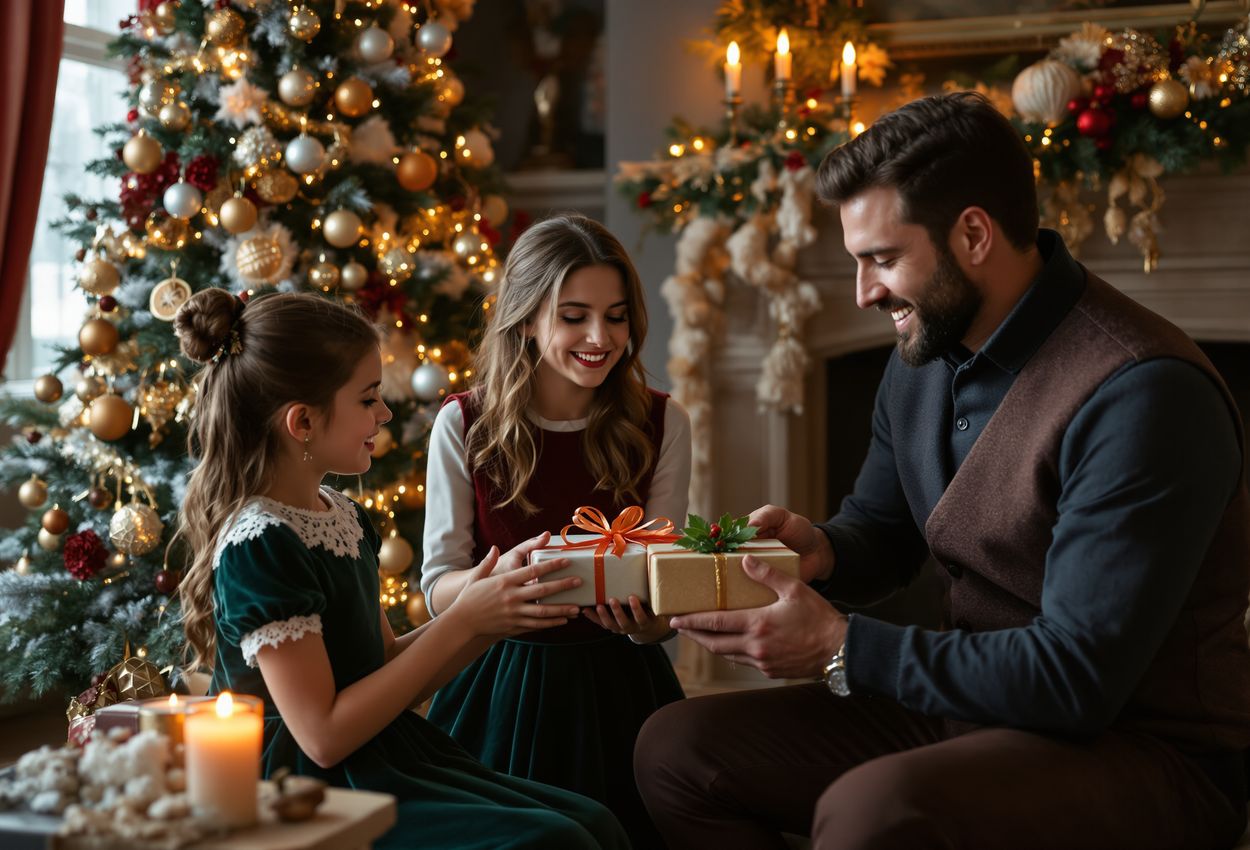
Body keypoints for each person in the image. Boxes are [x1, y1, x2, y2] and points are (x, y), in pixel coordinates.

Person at [634, 91, 1250, 850]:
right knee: (675, 750)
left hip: (1141, 750)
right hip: (968, 707)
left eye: (883, 259)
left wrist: (840, 648)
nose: (864, 293)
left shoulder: (1144, 393)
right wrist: (820, 551)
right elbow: (881, 530)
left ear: (973, 235)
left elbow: (1077, 680)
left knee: (875, 809)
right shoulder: (922, 354)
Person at [171, 288, 629, 850]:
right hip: (297, 783)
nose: (385, 413)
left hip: (378, 751)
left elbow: (384, 665)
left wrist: (492, 610)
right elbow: (322, 736)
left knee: (595, 821)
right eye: (368, 398)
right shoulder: (261, 544)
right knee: (555, 841)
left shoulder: (342, 516)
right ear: (303, 421)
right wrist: (464, 620)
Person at [421, 213, 692, 848]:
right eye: (574, 316)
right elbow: (437, 588)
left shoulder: (664, 423)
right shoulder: (463, 425)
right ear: (525, 318)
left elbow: (666, 593)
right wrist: (501, 583)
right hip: (496, 685)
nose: (601, 337)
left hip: (623, 686)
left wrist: (647, 624)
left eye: (616, 316)